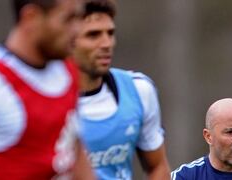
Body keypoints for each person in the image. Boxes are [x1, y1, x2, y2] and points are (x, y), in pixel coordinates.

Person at [0, 0, 95, 179]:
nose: (77, 29)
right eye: (68, 19)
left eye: (80, 17)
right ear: (30, 17)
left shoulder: (66, 70)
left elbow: (75, 150)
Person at [70, 0, 171, 179]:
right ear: (67, 39)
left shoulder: (139, 90)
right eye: (93, 35)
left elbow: (157, 166)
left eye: (110, 33)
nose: (107, 43)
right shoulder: (42, 99)